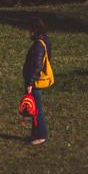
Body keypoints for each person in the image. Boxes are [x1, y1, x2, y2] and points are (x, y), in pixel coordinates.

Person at [22, 17, 51, 145]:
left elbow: (37, 66)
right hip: (36, 81)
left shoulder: (39, 44)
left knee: (36, 109)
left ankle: (41, 135)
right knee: (34, 108)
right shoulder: (45, 40)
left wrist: (30, 83)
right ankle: (35, 134)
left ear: (34, 30)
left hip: (35, 82)